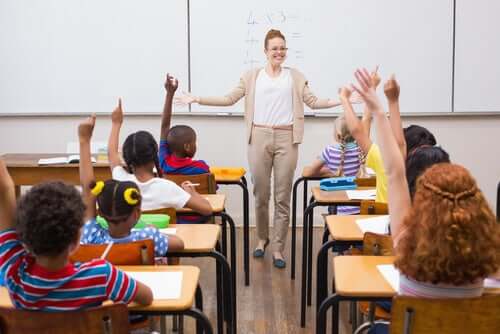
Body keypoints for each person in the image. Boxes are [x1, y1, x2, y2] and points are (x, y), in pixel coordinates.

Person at [175, 29, 359, 267]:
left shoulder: (295, 76)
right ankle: (262, 239)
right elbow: (228, 99)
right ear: (265, 51)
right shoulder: (252, 76)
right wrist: (197, 99)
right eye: (274, 48)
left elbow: (314, 102)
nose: (279, 52)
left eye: (282, 48)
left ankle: (279, 248)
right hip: (259, 136)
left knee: (283, 196)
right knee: (261, 193)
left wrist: (343, 101)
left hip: (287, 137)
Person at [347, 68, 500, 334]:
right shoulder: (492, 266)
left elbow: (395, 172)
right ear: (478, 208)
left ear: (423, 202)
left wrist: (378, 108)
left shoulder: (406, 245)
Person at [0, 157, 153, 310]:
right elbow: (147, 297)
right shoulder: (102, 276)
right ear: (76, 239)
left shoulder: (14, 275)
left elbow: (5, 191)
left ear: (24, 240)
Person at [79, 115, 184, 257]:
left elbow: (87, 190)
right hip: (141, 280)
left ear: (101, 214)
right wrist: (154, 231)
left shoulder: (92, 237)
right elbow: (179, 244)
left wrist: (84, 140)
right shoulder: (148, 237)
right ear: (136, 214)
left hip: (107, 280)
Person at [107, 98, 211, 215]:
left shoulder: (120, 180)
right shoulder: (167, 188)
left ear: (126, 157)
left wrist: (116, 124)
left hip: (131, 233)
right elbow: (207, 209)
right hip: (164, 233)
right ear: (154, 156)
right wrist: (192, 193)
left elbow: (111, 154)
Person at [341, 74, 405, 203]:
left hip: (384, 220)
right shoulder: (418, 166)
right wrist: (393, 101)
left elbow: (360, 129)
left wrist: (344, 98)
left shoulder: (385, 161)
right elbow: (400, 143)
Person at [303, 115, 364, 215]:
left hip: (338, 211)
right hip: (361, 209)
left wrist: (329, 171)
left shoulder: (330, 151)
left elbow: (310, 172)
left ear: (338, 135)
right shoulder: (361, 150)